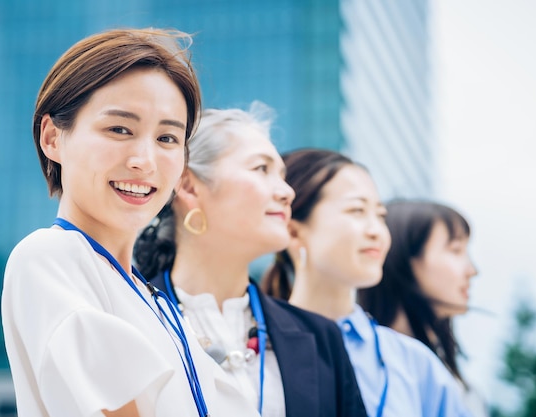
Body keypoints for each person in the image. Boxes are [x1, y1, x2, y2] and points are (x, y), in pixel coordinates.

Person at [1, 28, 260, 417]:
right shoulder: (50, 257)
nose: (145, 160)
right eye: (120, 129)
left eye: (168, 138)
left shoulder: (155, 300)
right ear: (53, 137)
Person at [134, 104, 367, 417]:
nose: (287, 192)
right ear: (189, 186)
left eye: (283, 176)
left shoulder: (321, 337)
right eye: (262, 169)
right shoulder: (131, 321)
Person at [261, 149, 473, 417]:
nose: (377, 231)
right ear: (292, 230)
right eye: (357, 210)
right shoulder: (257, 350)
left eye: (380, 215)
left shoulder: (415, 365)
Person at [357, 200, 488, 416]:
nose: (471, 270)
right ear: (404, 259)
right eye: (456, 250)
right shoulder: (359, 363)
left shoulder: (459, 386)